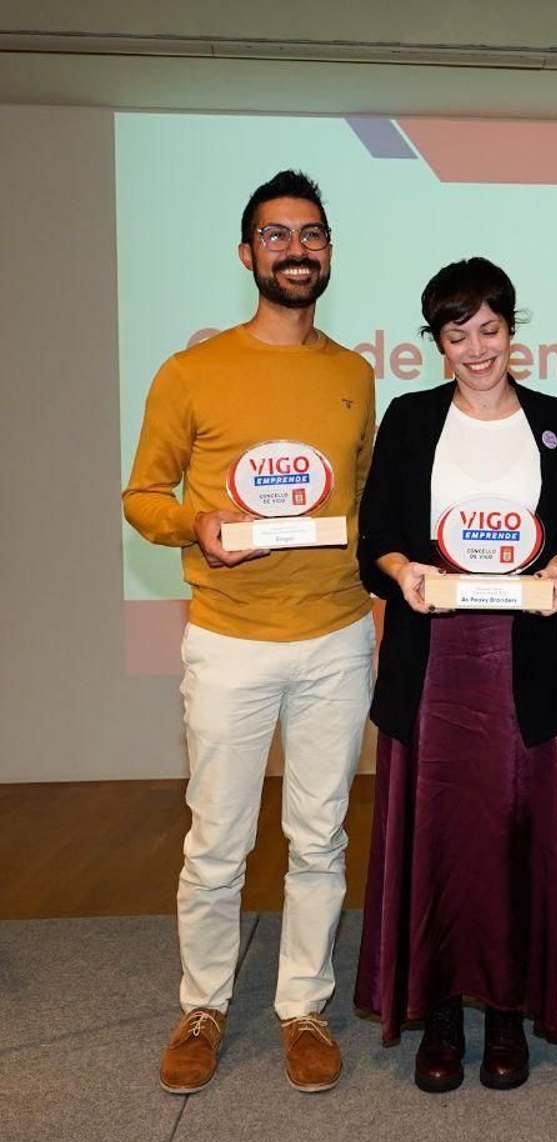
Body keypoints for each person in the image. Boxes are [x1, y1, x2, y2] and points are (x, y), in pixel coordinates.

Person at [123, 169, 376, 1094]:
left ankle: (302, 1008)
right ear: (247, 254)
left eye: (311, 234)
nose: (296, 249)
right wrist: (196, 524)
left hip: (337, 637)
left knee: (320, 837)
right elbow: (142, 495)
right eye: (276, 236)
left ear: (328, 252)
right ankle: (204, 1005)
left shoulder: (354, 372)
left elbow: (365, 500)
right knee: (216, 839)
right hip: (228, 639)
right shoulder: (193, 371)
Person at [352, 258, 557, 1093]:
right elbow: (373, 539)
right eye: (459, 334)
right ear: (439, 342)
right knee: (438, 844)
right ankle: (441, 1013)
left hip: (517, 670)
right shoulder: (410, 419)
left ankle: (505, 1014)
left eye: (490, 329)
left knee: (509, 845)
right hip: (433, 669)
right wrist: (401, 569)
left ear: (511, 329)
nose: (477, 347)